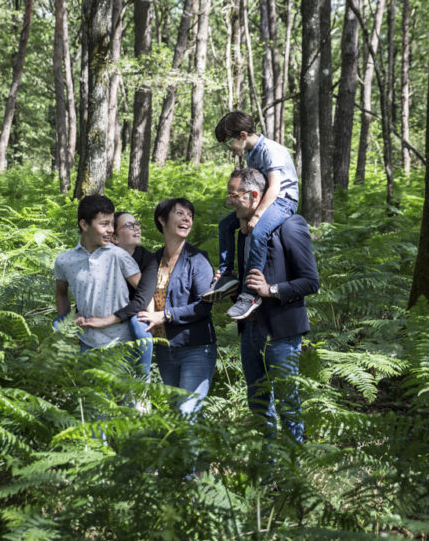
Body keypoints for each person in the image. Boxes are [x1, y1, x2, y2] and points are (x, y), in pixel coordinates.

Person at [226, 168, 319, 443]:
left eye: (234, 195)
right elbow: (247, 283)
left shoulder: (290, 225)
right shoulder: (244, 231)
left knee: (287, 404)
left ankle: (295, 471)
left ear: (254, 196)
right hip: (250, 332)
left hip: (281, 332)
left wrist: (271, 290)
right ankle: (266, 469)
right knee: (257, 403)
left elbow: (311, 282)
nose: (230, 201)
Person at [204, 111, 300, 322]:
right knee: (225, 226)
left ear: (243, 135)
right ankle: (227, 275)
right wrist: (241, 217)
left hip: (283, 201)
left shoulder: (271, 150)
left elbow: (274, 189)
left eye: (229, 141)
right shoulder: (251, 154)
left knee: (258, 233)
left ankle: (250, 294)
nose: (228, 147)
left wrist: (255, 217)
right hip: (260, 201)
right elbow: (251, 190)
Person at [137, 198, 216, 418]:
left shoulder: (198, 259)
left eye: (190, 215)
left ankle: (193, 453)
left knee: (186, 412)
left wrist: (165, 315)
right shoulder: (152, 260)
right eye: (180, 214)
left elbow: (204, 306)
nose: (186, 219)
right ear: (162, 220)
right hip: (165, 350)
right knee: (179, 414)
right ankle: (198, 453)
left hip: (196, 349)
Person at [53, 195, 141, 354]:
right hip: (86, 343)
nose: (111, 230)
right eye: (104, 224)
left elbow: (144, 292)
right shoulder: (64, 261)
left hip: (120, 344)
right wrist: (68, 321)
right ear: (84, 225)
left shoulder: (119, 255)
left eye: (112, 224)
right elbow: (61, 293)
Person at [77, 211, 156, 381]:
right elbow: (92, 289)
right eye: (129, 225)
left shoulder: (148, 259)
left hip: (135, 311)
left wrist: (110, 319)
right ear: (114, 238)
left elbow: (143, 299)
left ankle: (143, 381)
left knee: (138, 324)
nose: (137, 229)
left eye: (137, 224)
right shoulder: (103, 257)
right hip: (111, 310)